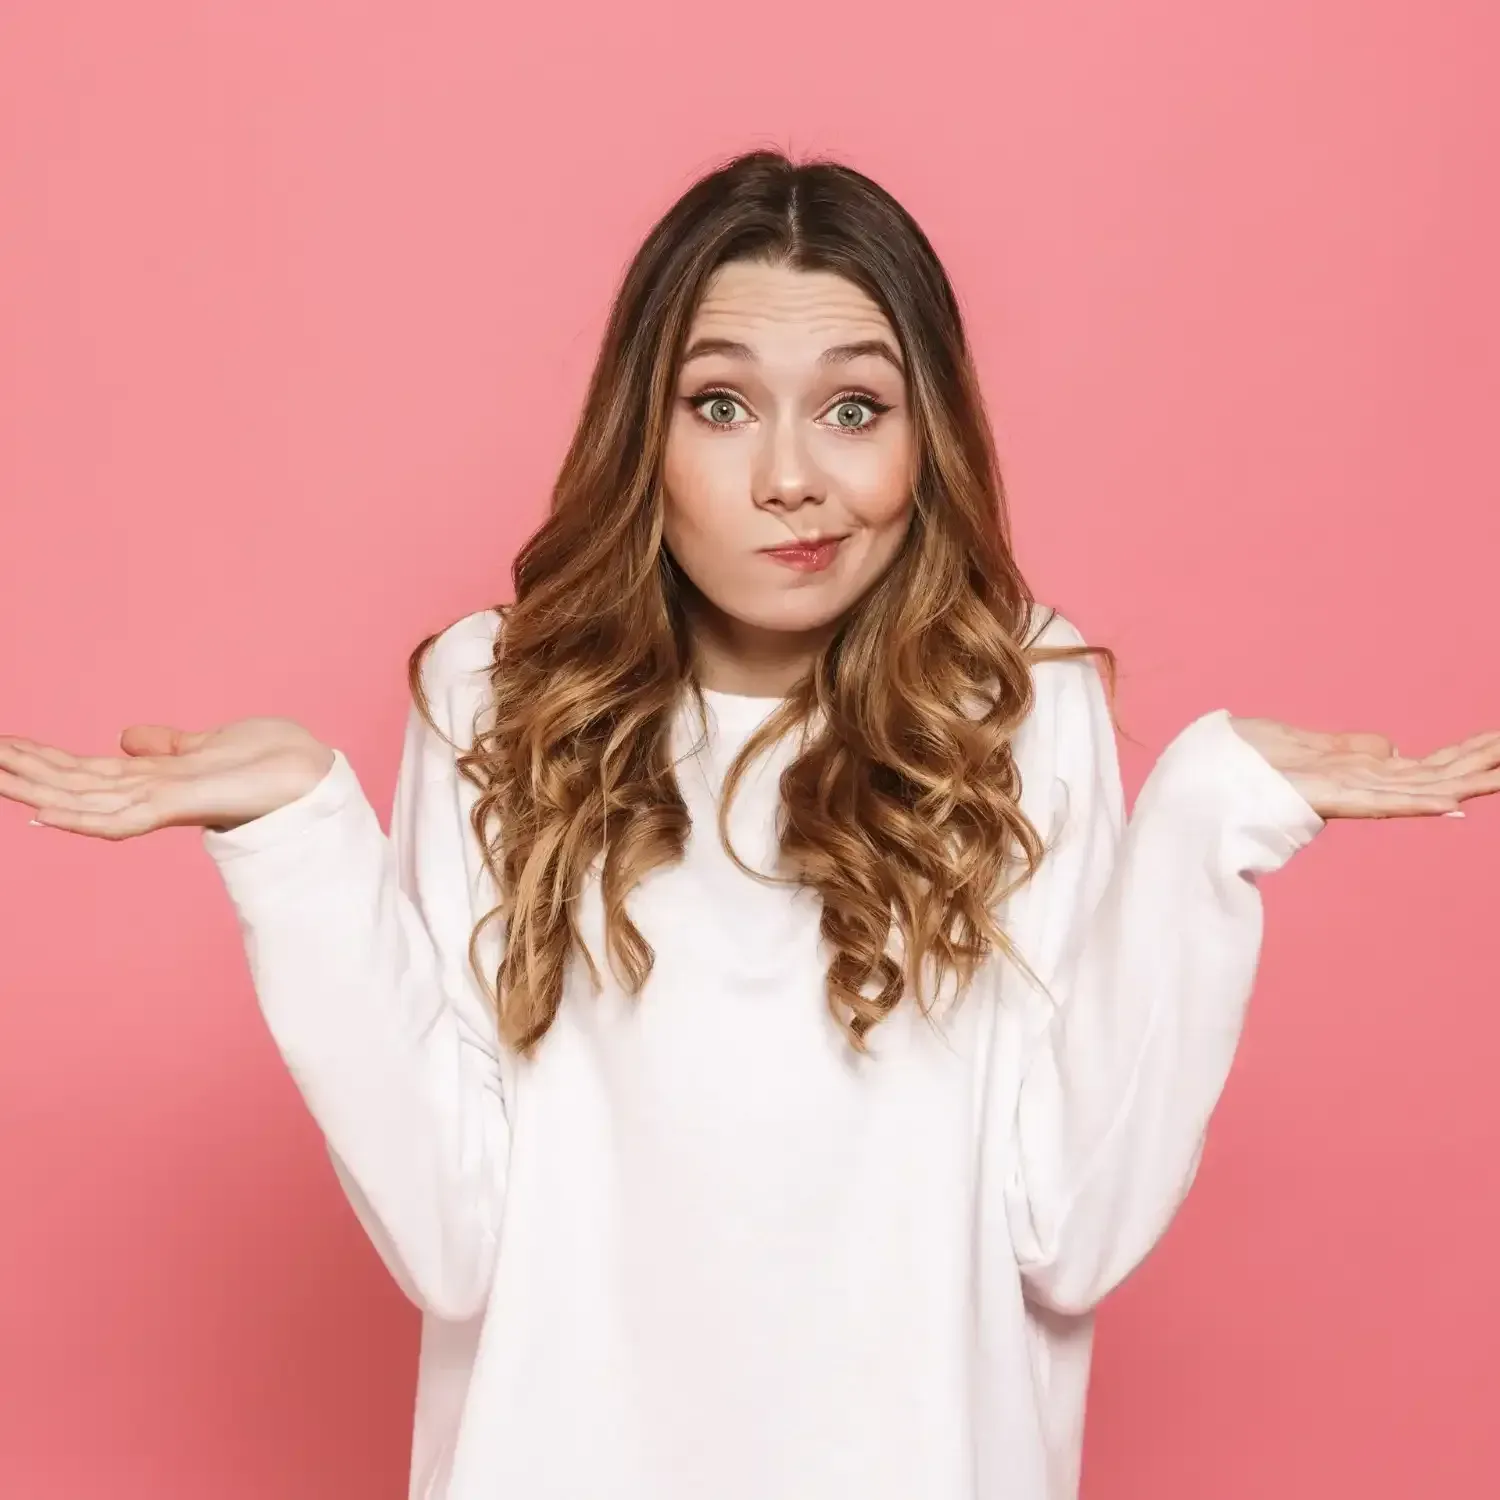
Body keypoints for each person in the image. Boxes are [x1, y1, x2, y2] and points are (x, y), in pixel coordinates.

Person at [2, 150, 1496, 1500]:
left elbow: (1072, 1231)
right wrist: (303, 841)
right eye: (721, 406)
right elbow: (453, 1243)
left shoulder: (1019, 704)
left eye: (855, 409)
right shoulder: (497, 694)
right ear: (642, 433)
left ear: (927, 438)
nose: (793, 478)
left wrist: (1204, 827)